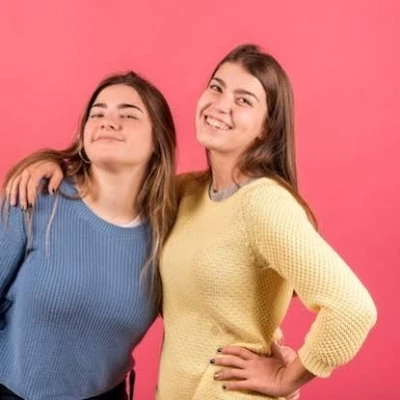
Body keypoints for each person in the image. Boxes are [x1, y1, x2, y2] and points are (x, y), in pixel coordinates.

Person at [6, 44, 377, 400]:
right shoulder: (185, 194)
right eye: (217, 88)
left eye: (244, 100)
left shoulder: (265, 203)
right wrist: (52, 162)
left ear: (266, 127)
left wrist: (287, 377)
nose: (221, 105)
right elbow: (117, 185)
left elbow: (353, 309)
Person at [0, 71, 178, 399]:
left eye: (128, 115)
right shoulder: (36, 196)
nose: (109, 122)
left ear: (158, 141)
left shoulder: (169, 232)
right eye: (97, 114)